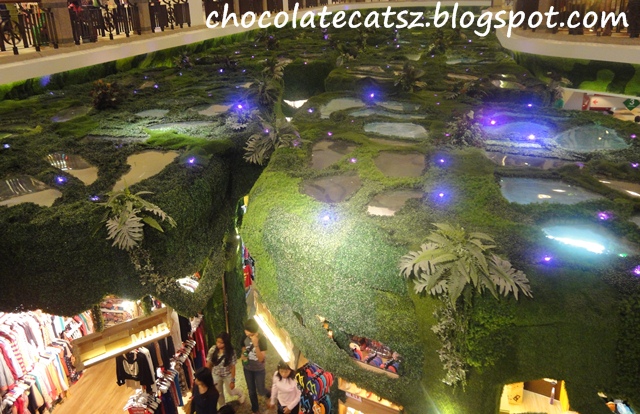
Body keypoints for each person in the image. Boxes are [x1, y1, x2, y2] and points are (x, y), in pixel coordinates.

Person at [206, 332, 246, 407]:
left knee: (231, 392)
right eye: (217, 341)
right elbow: (209, 363)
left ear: (226, 343)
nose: (218, 344)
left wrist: (232, 381)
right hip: (216, 375)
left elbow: (233, 367)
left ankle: (241, 394)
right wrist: (206, 376)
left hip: (227, 374)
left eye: (221, 343)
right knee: (219, 393)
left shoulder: (231, 352)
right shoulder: (213, 349)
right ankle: (223, 407)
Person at [241, 319, 268, 414]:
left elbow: (261, 359)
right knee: (251, 390)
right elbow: (244, 349)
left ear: (255, 332)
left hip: (259, 369)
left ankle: (269, 394)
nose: (248, 335)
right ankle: (255, 409)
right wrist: (243, 355)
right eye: (246, 333)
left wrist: (256, 345)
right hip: (248, 369)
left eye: (250, 334)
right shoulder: (244, 337)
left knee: (261, 390)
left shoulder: (262, 339)